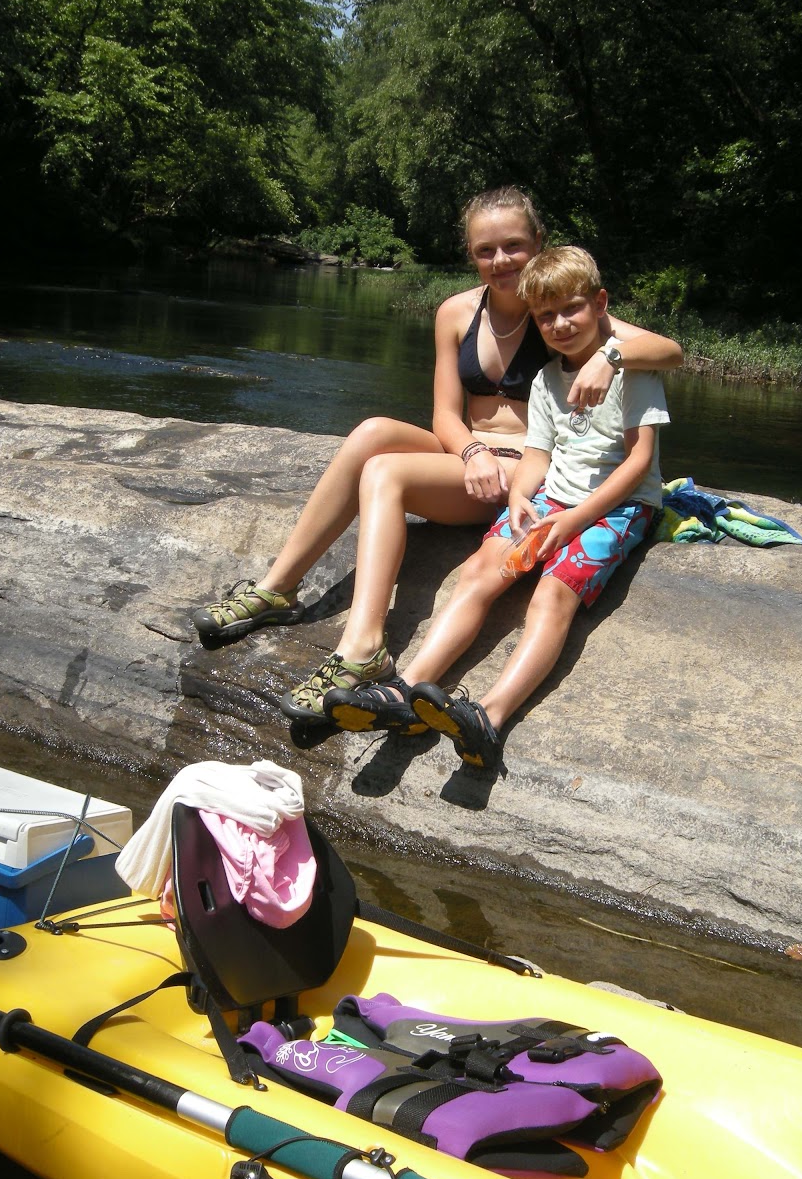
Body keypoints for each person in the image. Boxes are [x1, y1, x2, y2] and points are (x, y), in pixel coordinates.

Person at [190, 188, 682, 720]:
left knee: (385, 473)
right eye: (485, 250)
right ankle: (278, 587)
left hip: (526, 472)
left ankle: (362, 648)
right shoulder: (455, 312)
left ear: (539, 242)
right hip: (473, 460)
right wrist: (470, 450)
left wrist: (610, 357)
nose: (501, 261)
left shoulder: (558, 308)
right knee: (372, 433)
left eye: (514, 246)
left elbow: (670, 352)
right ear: (470, 255)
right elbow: (445, 414)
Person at [325, 246, 670, 769]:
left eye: (570, 309)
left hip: (619, 507)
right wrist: (518, 497)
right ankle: (407, 692)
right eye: (545, 315)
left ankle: (490, 716)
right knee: (480, 572)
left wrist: (575, 520)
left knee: (551, 596)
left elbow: (638, 462)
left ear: (600, 303)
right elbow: (537, 454)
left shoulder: (633, 369)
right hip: (550, 496)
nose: (558, 323)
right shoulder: (547, 379)